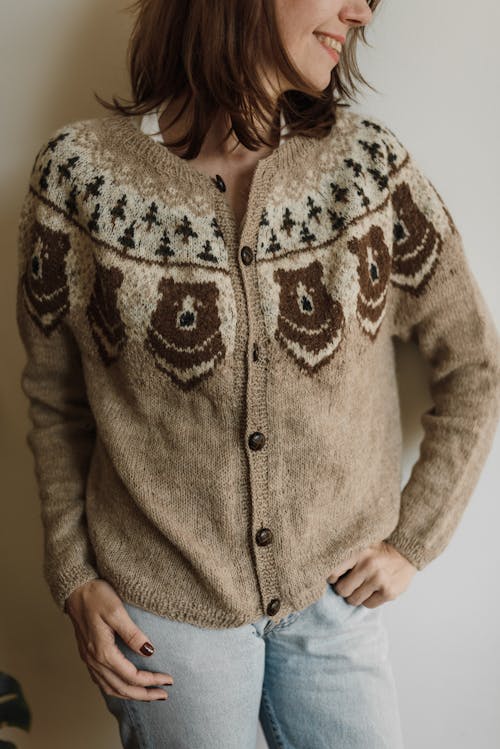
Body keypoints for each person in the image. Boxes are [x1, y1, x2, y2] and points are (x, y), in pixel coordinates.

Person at [15, 0, 500, 747]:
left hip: (335, 603)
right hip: (165, 612)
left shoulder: (368, 175)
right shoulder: (80, 182)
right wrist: (75, 575)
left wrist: (416, 539)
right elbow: (55, 401)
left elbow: (475, 363)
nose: (363, 11)